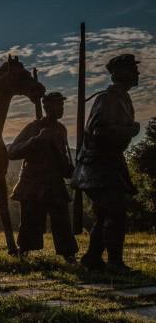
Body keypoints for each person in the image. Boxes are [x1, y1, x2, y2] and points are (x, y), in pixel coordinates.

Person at [73, 54, 141, 273]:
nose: (137, 73)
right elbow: (99, 132)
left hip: (109, 163)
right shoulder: (107, 98)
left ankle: (92, 258)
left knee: (105, 213)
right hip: (98, 166)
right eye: (132, 70)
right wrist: (129, 130)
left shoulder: (122, 98)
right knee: (115, 210)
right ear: (120, 74)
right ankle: (114, 262)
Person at [8, 92, 78, 263]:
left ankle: (68, 253)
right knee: (30, 219)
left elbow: (63, 154)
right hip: (34, 182)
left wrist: (69, 169)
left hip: (54, 181)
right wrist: (35, 140)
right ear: (47, 107)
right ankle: (23, 252)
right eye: (57, 105)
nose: (60, 109)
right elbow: (12, 152)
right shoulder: (33, 128)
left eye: (62, 105)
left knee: (62, 220)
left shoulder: (61, 129)